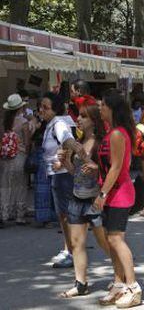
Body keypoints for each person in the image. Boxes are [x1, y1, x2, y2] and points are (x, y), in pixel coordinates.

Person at [58, 97, 110, 298]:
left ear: (93, 120)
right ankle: (80, 283)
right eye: (78, 115)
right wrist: (66, 163)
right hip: (76, 198)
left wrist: (93, 164)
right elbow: (76, 173)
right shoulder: (78, 143)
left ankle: (121, 275)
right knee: (76, 242)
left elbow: (106, 172)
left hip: (94, 200)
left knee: (105, 242)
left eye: (83, 116)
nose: (78, 119)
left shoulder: (100, 143)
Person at [95, 89, 142, 308]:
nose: (100, 108)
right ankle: (118, 283)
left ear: (112, 108)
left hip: (119, 194)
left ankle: (133, 287)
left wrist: (102, 193)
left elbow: (115, 168)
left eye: (103, 104)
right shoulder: (114, 131)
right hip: (113, 193)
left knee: (115, 240)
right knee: (111, 240)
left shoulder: (117, 133)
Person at [40, 92, 86, 268]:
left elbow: (68, 140)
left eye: (46, 107)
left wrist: (66, 158)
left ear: (55, 109)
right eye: (41, 107)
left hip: (62, 176)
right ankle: (69, 248)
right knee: (63, 215)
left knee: (66, 215)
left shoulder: (58, 123)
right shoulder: (53, 123)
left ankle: (72, 252)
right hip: (57, 175)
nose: (41, 110)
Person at [0, 94, 31, 227]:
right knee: (21, 185)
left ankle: (5, 213)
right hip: (20, 155)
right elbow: (27, 142)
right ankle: (19, 215)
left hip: (5, 157)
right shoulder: (23, 122)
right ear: (20, 107)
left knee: (6, 185)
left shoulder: (3, 121)